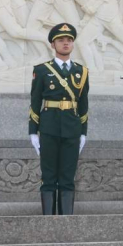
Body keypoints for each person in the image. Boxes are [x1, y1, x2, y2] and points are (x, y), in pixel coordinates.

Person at [28, 23, 90, 215]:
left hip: (72, 129)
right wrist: (33, 132)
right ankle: (48, 222)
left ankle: (66, 223)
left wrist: (83, 133)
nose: (65, 43)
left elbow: (83, 105)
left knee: (67, 178)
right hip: (48, 128)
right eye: (61, 40)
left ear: (73, 44)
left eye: (69, 40)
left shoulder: (82, 72)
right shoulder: (42, 70)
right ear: (53, 45)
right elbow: (35, 101)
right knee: (48, 177)